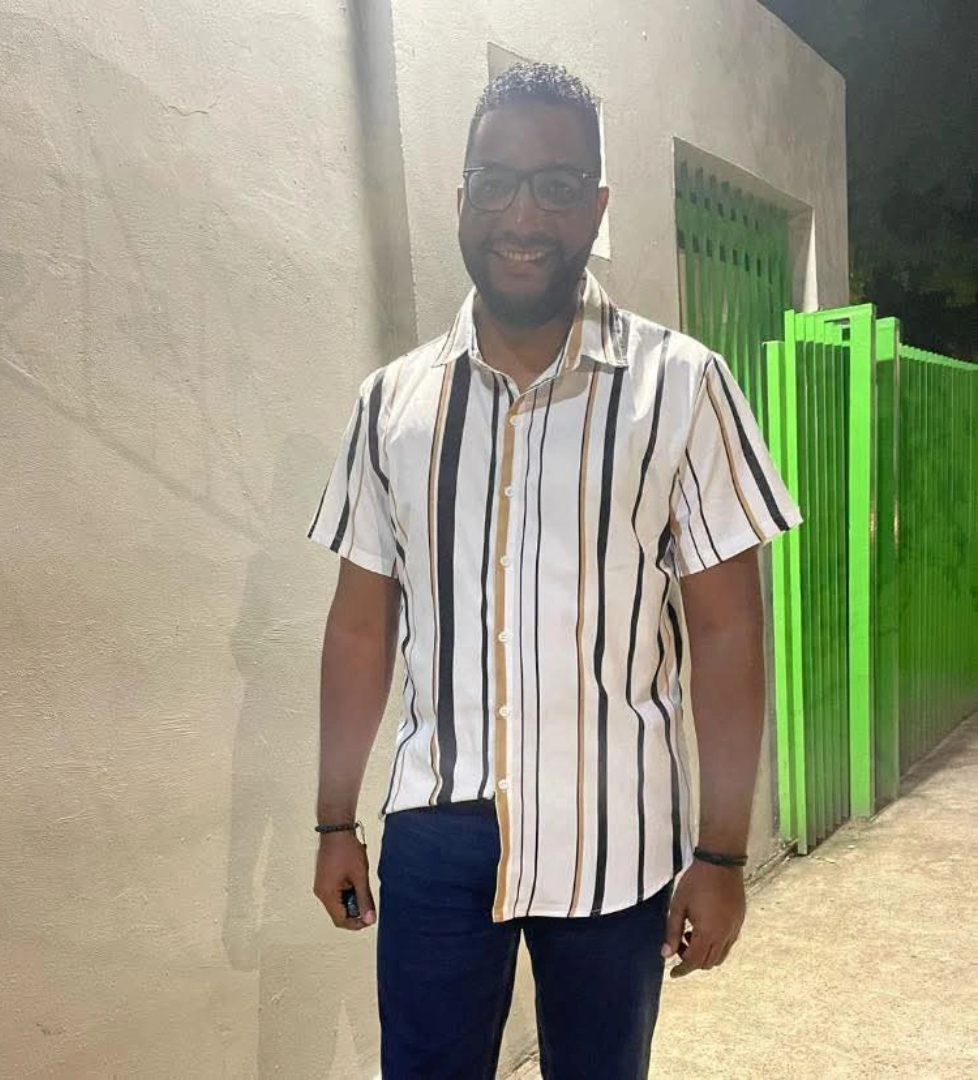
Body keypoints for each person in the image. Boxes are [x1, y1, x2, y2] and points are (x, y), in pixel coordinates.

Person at [307, 62, 801, 1080]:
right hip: (438, 828)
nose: (522, 215)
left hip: (617, 836)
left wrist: (721, 854)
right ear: (463, 199)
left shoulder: (682, 387)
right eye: (496, 183)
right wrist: (332, 819)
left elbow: (727, 632)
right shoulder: (391, 404)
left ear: (597, 206)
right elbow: (359, 625)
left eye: (556, 185)